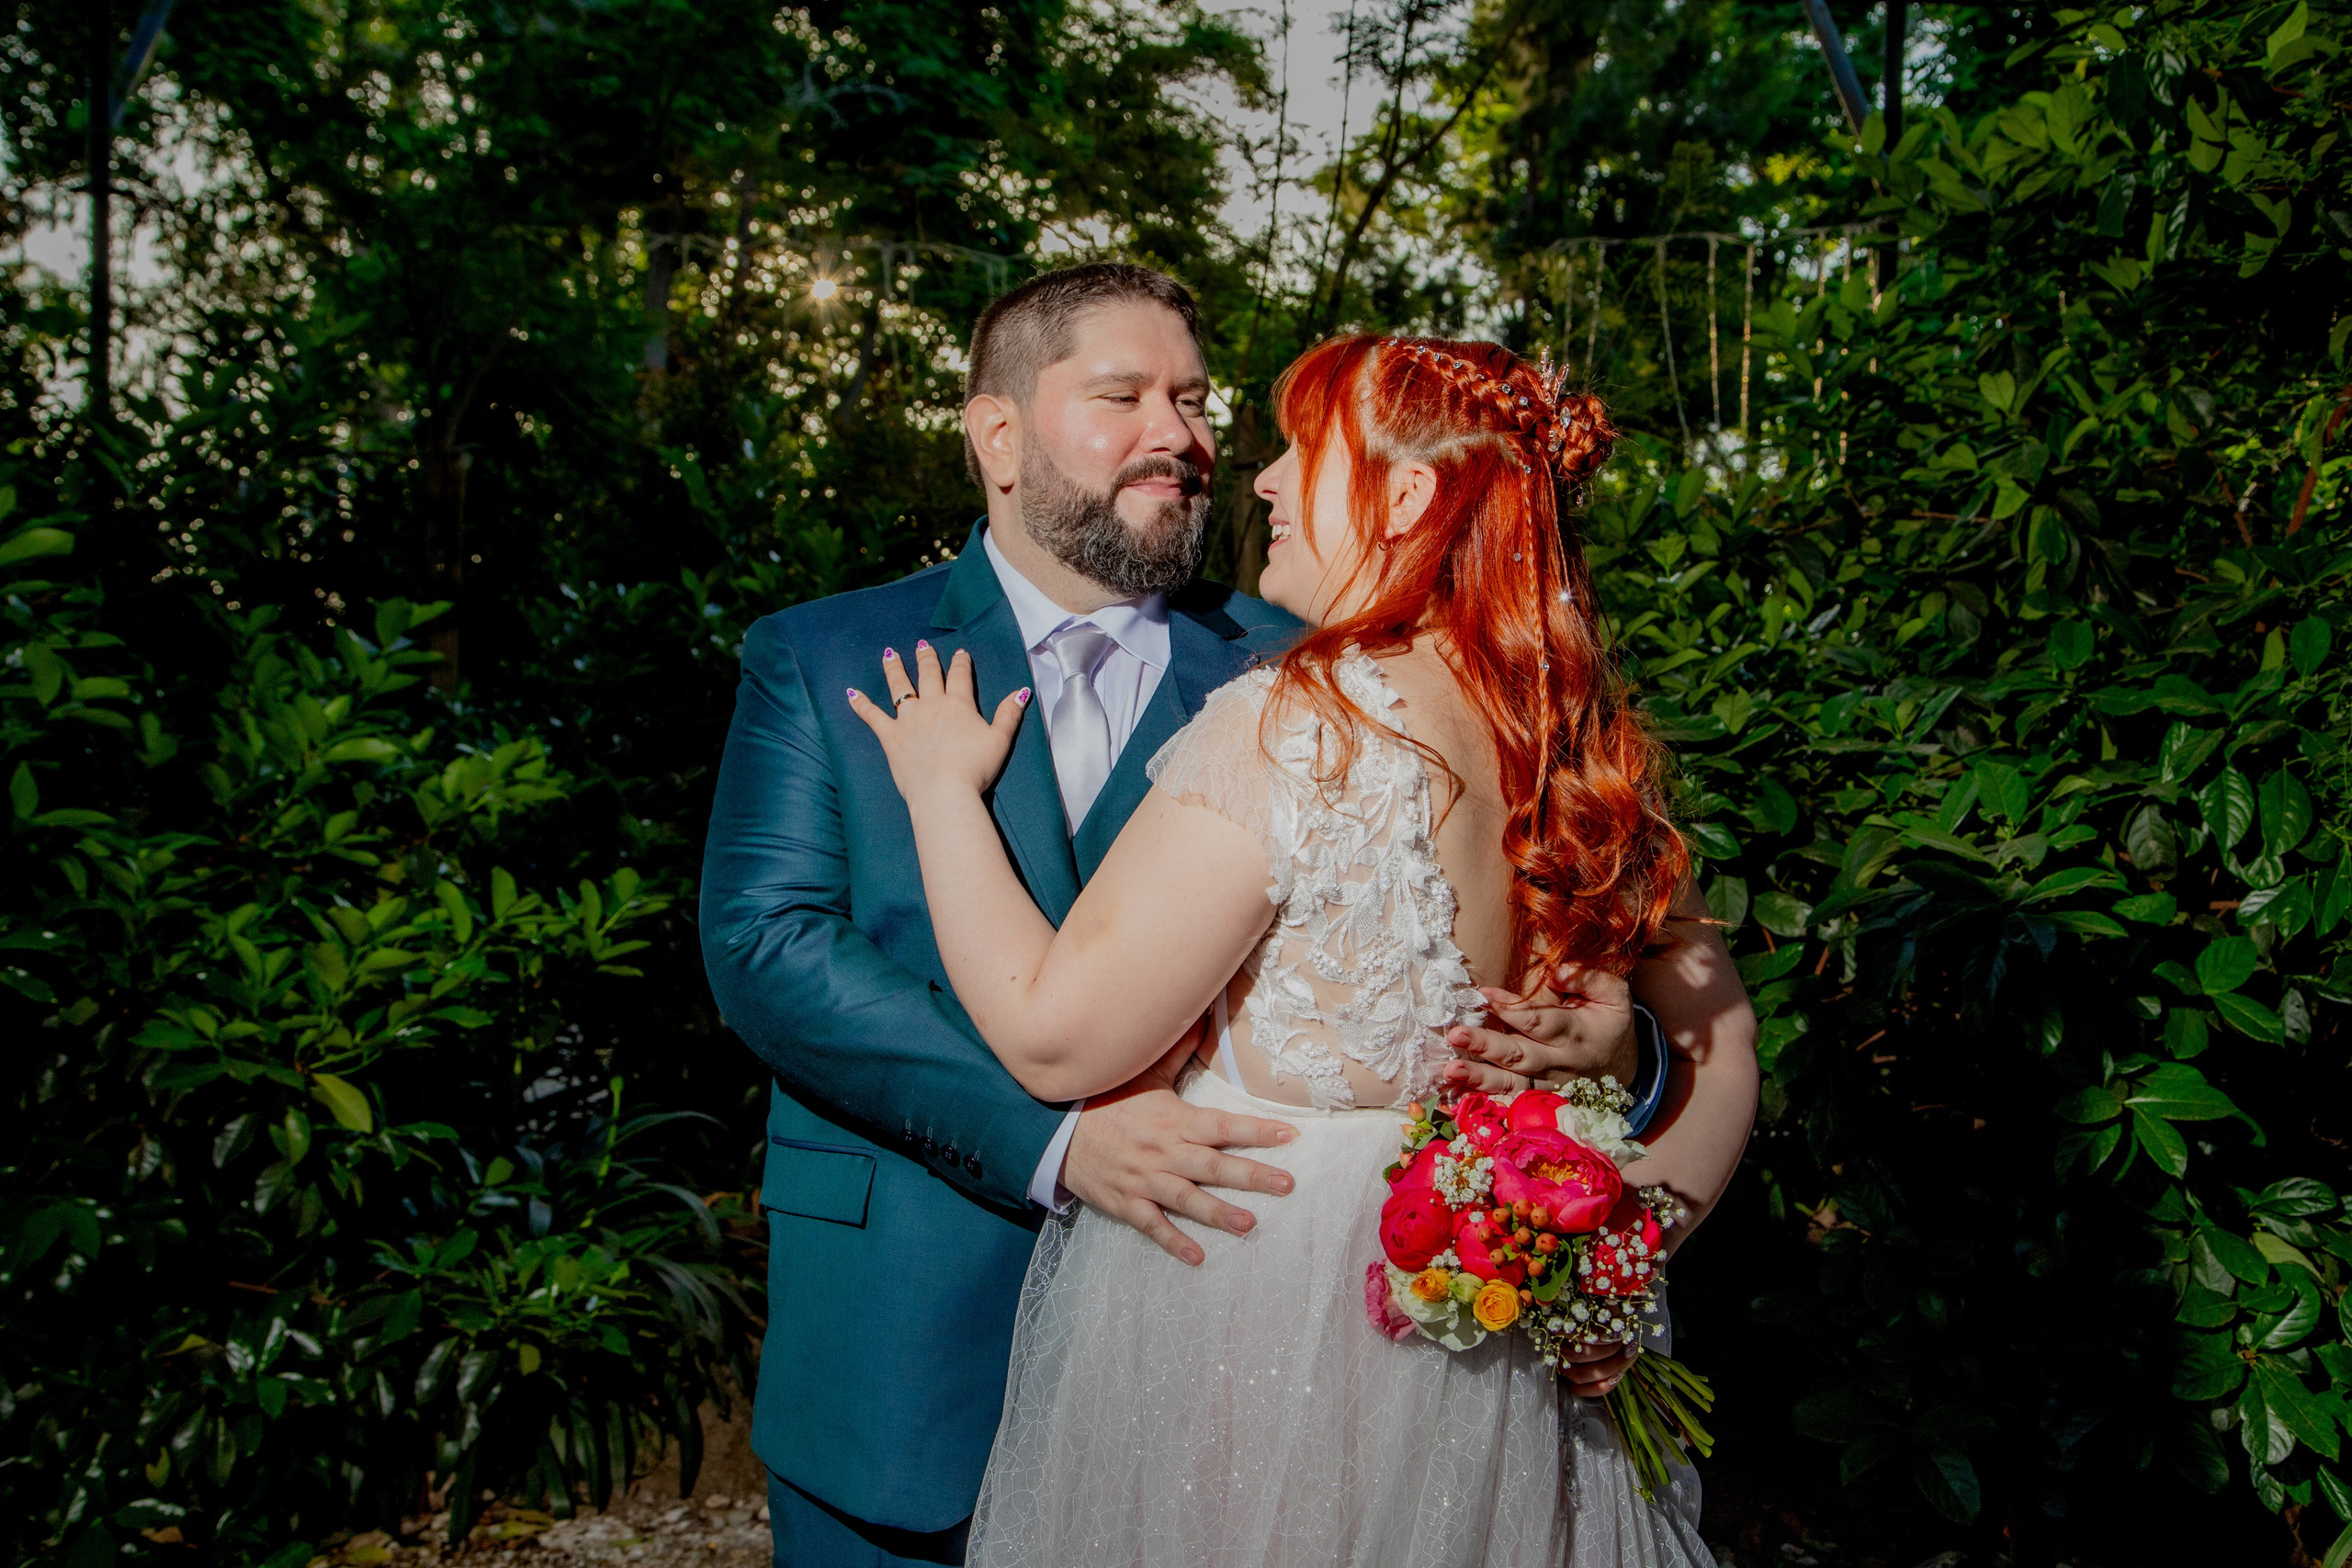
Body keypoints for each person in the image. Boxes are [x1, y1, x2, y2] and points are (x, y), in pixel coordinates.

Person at [700, 264, 1671, 1567]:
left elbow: (1559, 969)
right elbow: (767, 950)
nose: (1188, 435)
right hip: (904, 1350)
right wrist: (1054, 1145)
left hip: (1262, 1378)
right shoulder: (825, 656)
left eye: (1195, 398)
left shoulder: (1304, 665)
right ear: (997, 435)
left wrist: (1615, 1051)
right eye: (1124, 395)